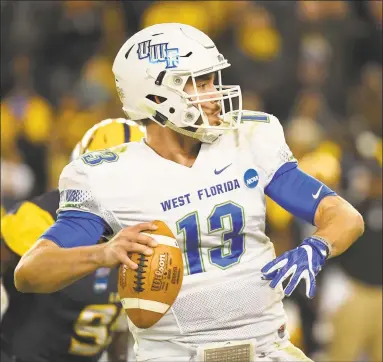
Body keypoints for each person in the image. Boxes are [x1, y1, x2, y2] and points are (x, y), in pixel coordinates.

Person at [14, 23, 364, 362]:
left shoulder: (250, 140)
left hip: (266, 350)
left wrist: (319, 244)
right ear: (155, 94)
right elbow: (29, 272)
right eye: (200, 83)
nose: (215, 95)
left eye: (213, 80)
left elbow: (343, 215)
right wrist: (103, 254)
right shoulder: (106, 174)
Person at [1, 118, 144, 362]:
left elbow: (118, 328)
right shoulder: (39, 216)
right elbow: (27, 271)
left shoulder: (147, 228)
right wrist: (101, 254)